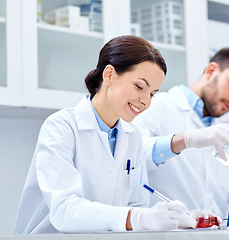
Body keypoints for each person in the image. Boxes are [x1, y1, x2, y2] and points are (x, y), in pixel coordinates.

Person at [14, 35, 194, 234]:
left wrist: (178, 219)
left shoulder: (132, 136)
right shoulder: (61, 127)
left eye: (152, 94)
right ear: (109, 75)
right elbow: (65, 210)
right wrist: (139, 218)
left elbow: (137, 206)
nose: (146, 102)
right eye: (139, 87)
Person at [133, 47, 229, 219]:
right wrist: (187, 139)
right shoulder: (155, 106)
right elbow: (133, 155)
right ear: (211, 71)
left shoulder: (227, 136)